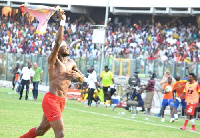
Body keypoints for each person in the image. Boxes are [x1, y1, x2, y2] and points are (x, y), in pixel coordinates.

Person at [20, 12, 84, 138]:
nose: (67, 48)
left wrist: (78, 77)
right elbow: (58, 41)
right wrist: (62, 22)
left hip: (61, 101)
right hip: (51, 100)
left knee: (40, 131)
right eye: (64, 46)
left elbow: (82, 78)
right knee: (60, 134)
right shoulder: (53, 60)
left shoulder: (71, 63)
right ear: (58, 49)